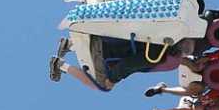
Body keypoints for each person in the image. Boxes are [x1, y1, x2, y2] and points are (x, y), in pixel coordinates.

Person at [49, 36, 194, 91]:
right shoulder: (157, 55)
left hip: (104, 36)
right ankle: (60, 65)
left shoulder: (162, 35)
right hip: (102, 49)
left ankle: (70, 44)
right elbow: (130, 64)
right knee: (100, 86)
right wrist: (112, 80)